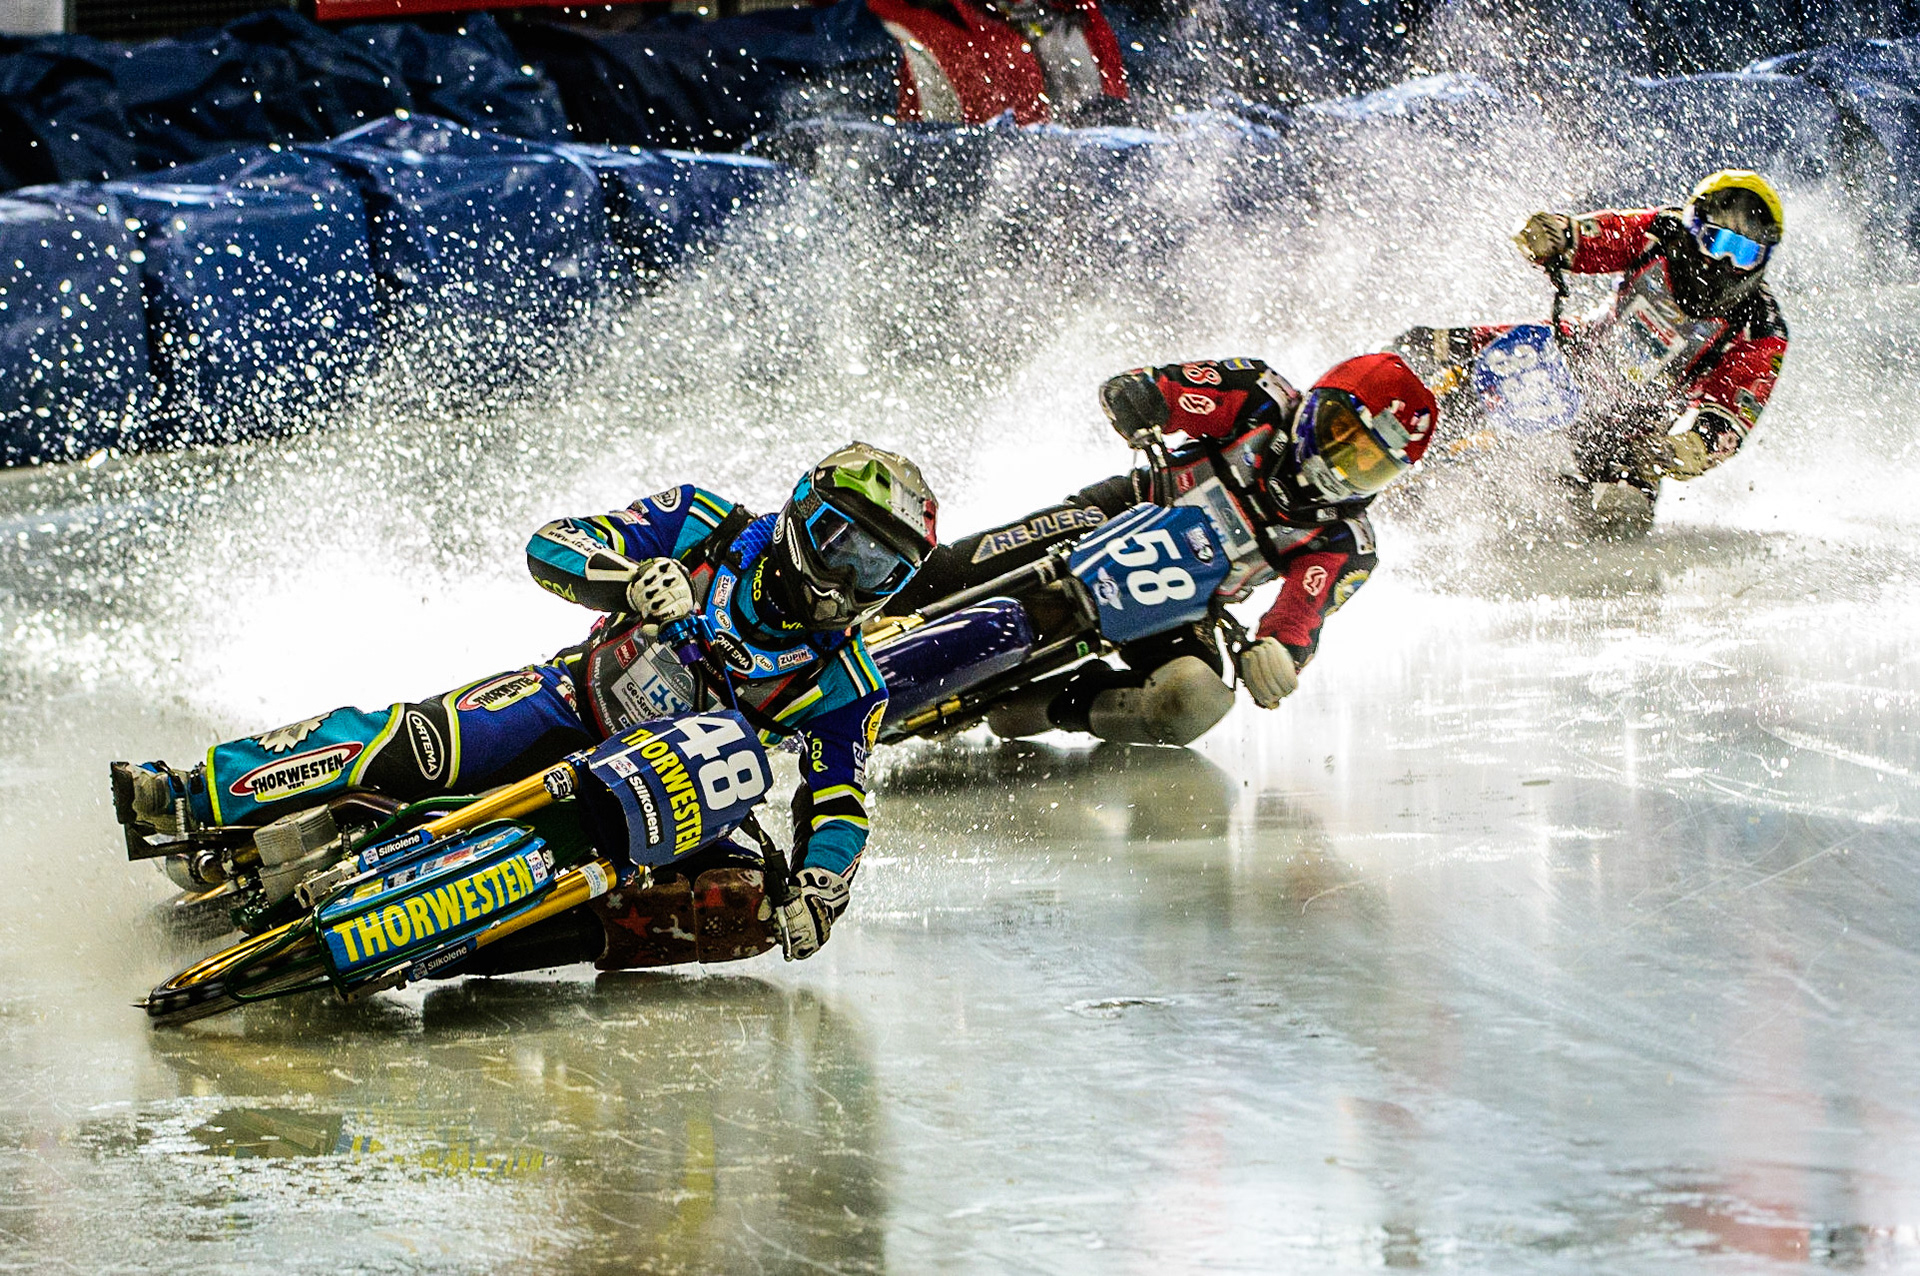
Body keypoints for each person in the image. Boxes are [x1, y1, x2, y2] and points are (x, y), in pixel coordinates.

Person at [112, 443, 939, 961]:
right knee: (414, 741)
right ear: (804, 511)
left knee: (745, 909)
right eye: (843, 543)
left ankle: (489, 947)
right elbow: (555, 542)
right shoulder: (706, 525)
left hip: (674, 801)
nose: (848, 579)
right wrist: (625, 578)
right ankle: (194, 791)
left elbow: (839, 800)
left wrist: (823, 887)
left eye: (880, 569)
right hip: (571, 702)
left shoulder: (848, 681)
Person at [884, 352, 1437, 746]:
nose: (1338, 462)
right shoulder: (1259, 395)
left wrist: (1276, 658)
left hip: (1187, 605)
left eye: (1368, 463)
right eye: (1341, 431)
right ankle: (848, 613)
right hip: (1121, 510)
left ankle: (1047, 708)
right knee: (957, 566)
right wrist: (1140, 401)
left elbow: (1298, 622)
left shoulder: (1348, 542)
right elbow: (1160, 389)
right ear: (1318, 402)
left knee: (1193, 701)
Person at [1395, 169, 1789, 536]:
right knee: (1429, 346)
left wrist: (1688, 448)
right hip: (1569, 355)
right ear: (1691, 225)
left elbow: (1730, 415)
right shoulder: (1661, 232)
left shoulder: (1762, 327)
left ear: (1764, 259)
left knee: (1622, 518)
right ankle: (1390, 443)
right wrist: (1553, 236)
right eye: (1715, 239)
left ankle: (1515, 520)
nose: (1721, 260)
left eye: (1743, 252)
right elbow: (1601, 235)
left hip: (1636, 431)